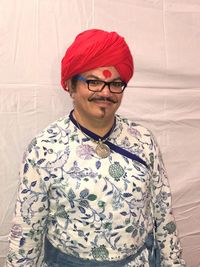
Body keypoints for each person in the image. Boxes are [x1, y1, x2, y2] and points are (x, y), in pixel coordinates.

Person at [6, 29, 186, 267]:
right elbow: (27, 231)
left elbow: (163, 216)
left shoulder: (143, 141)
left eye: (115, 84)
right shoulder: (44, 148)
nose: (105, 92)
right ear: (71, 86)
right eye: (93, 82)